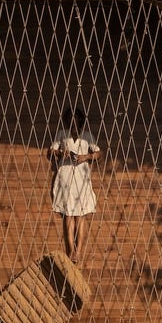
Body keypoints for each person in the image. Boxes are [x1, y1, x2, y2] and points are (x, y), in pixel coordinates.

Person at [48, 107, 100, 264]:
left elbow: (98, 153)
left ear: (80, 119)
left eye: (76, 117)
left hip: (81, 178)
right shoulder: (62, 134)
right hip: (66, 177)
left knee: (81, 215)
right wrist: (60, 153)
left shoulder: (87, 136)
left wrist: (86, 156)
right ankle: (71, 251)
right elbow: (51, 151)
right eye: (70, 117)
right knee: (69, 214)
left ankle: (79, 250)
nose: (73, 120)